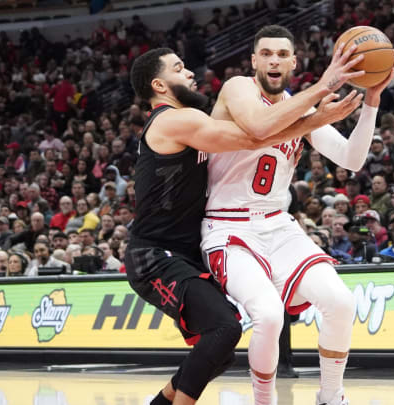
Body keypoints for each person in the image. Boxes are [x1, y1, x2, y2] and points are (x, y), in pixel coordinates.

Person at [127, 42, 363, 405]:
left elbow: (259, 135)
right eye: (178, 68)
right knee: (225, 329)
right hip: (154, 255)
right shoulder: (175, 120)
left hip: (185, 250)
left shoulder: (193, 118)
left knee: (218, 352)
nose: (189, 72)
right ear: (159, 86)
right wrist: (320, 101)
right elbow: (256, 136)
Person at [202, 25, 393, 405]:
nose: (274, 60)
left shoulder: (302, 104)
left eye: (282, 54)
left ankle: (331, 396)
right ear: (255, 61)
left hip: (277, 224)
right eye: (266, 53)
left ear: (293, 62)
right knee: (269, 317)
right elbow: (258, 127)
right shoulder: (238, 88)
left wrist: (372, 99)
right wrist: (325, 87)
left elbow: (352, 160)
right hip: (227, 225)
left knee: (340, 303)